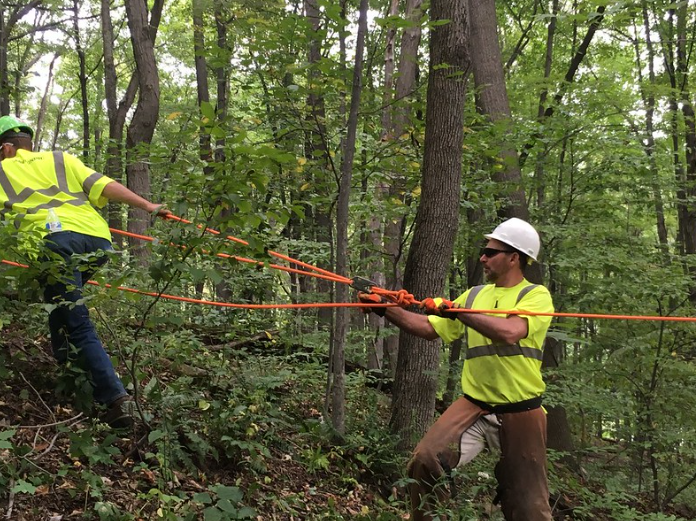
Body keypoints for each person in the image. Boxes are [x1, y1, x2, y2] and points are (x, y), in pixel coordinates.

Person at [359, 217, 554, 521]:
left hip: (522, 410)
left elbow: (510, 332)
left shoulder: (535, 296)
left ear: (514, 257)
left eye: (491, 252)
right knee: (425, 460)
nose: (483, 257)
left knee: (530, 508)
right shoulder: (475, 295)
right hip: (474, 403)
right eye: (483, 251)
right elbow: (427, 327)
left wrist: (458, 312)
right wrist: (386, 309)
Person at [0, 115, 169, 429]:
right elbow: (106, 185)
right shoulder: (60, 159)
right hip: (96, 242)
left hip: (54, 247)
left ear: (6, 148)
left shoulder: (2, 168)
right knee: (60, 306)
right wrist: (147, 206)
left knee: (77, 323)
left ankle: (117, 400)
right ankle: (69, 376)